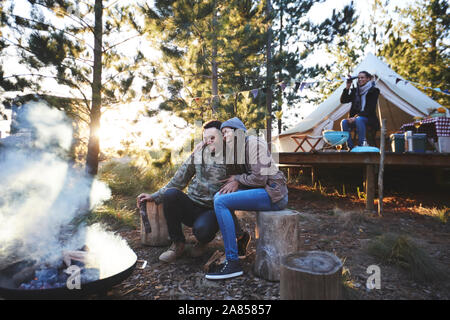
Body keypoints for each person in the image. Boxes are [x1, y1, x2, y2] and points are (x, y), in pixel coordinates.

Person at [137, 120, 249, 263]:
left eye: (212, 138)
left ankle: (202, 242)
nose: (208, 142)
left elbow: (247, 175)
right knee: (170, 194)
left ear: (222, 137)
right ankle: (178, 244)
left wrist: (237, 180)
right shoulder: (199, 153)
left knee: (202, 231)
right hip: (192, 204)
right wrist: (153, 196)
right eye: (205, 139)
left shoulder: (232, 156)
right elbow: (178, 180)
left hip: (212, 209)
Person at [205, 117, 288, 280]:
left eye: (226, 132)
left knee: (221, 201)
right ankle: (241, 239)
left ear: (238, 132)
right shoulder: (236, 150)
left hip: (274, 194)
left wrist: (237, 179)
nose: (224, 136)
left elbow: (260, 178)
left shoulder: (254, 143)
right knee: (219, 197)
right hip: (262, 190)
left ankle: (232, 262)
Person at [340, 71, 380, 150]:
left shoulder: (374, 91)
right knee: (344, 122)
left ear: (368, 79)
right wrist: (348, 87)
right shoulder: (355, 91)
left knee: (359, 120)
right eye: (358, 78)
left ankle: (361, 146)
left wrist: (355, 117)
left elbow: (370, 109)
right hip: (356, 118)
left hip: (368, 118)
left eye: (362, 77)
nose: (360, 79)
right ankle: (350, 147)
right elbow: (344, 100)